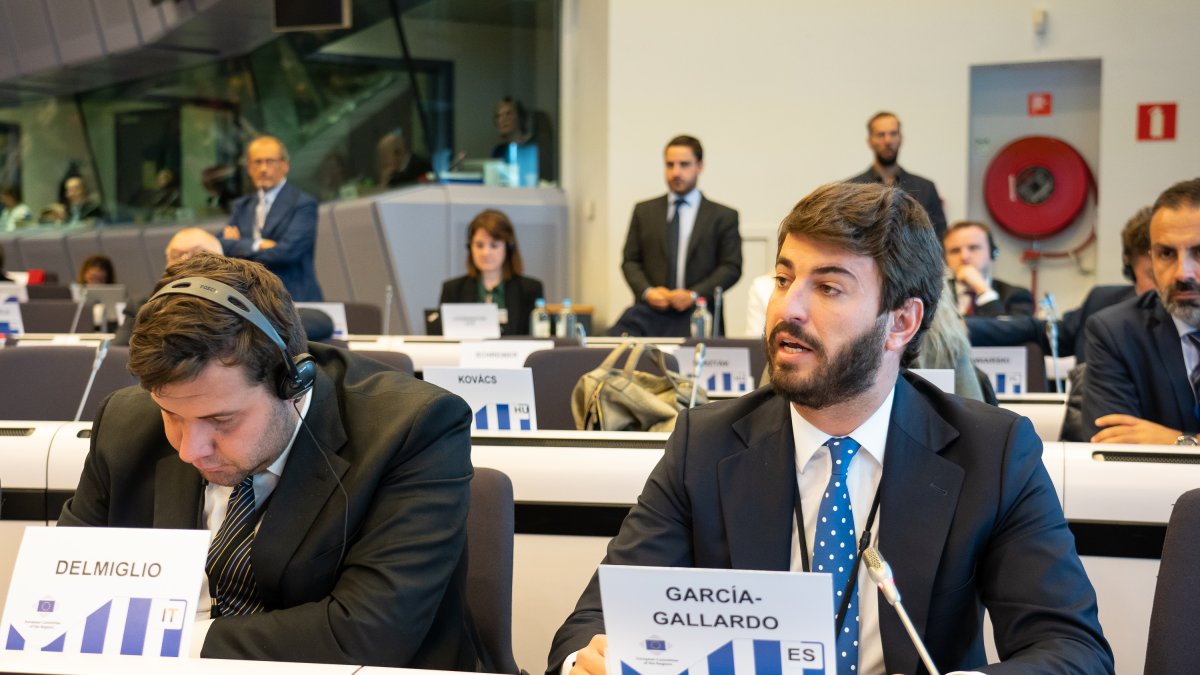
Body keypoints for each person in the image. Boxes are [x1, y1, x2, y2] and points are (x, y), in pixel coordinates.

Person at [548, 182, 1112, 675]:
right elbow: (593, 622)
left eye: (828, 287)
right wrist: (586, 663)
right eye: (783, 278)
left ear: (902, 322)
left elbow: (1071, 649)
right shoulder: (706, 445)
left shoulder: (992, 453)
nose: (786, 308)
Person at [59, 252, 483, 669]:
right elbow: (65, 598)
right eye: (171, 415)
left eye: (220, 420)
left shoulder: (413, 429)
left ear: (293, 384)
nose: (190, 450)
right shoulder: (124, 422)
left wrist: (167, 641)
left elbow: (368, 633)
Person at [1082, 177, 1200, 445]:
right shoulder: (1116, 331)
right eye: (1167, 254)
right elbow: (1113, 447)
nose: (1183, 272)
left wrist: (1180, 441)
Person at [619, 135, 741, 333]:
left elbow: (731, 267)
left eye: (684, 164)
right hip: (650, 317)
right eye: (669, 165)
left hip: (700, 317)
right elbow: (630, 262)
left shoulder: (723, 216)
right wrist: (648, 292)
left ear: (700, 166)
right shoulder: (644, 211)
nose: (676, 172)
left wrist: (693, 294)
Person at [221, 136, 323, 302]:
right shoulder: (243, 206)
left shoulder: (303, 204)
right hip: (254, 300)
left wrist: (238, 248)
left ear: (285, 165)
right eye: (257, 162)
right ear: (249, 168)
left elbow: (287, 253)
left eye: (270, 161)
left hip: (294, 299)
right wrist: (257, 244)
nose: (263, 168)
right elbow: (221, 243)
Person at [439, 209, 544, 335]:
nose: (485, 253)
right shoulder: (453, 290)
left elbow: (536, 338)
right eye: (479, 245)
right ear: (470, 247)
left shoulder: (530, 289)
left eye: (494, 245)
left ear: (509, 248)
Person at [847, 111, 947, 238]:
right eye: (880, 134)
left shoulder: (926, 188)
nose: (888, 140)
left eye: (893, 133)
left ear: (901, 138)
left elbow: (940, 237)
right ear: (870, 141)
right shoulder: (852, 189)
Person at [943, 220, 1034, 317]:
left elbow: (1011, 331)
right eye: (955, 251)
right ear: (945, 258)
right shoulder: (935, 294)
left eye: (973, 248)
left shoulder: (1016, 296)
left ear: (992, 253)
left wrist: (983, 291)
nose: (964, 257)